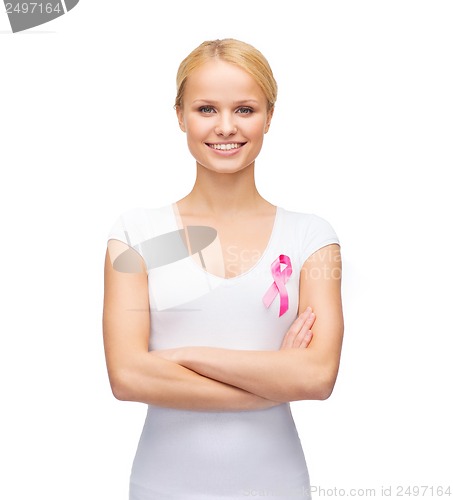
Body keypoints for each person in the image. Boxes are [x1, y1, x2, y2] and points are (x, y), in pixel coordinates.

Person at [103, 38, 344, 500]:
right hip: (162, 488)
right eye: (207, 109)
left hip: (276, 487)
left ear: (270, 116)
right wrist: (274, 378)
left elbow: (316, 378)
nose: (226, 127)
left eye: (246, 109)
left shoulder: (312, 238)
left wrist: (179, 357)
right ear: (180, 116)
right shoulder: (134, 234)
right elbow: (127, 377)